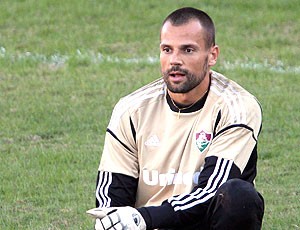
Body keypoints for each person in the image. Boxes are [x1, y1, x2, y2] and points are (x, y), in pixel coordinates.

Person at [87, 7, 265, 230]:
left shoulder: (236, 107)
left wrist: (143, 218)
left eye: (188, 50)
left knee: (239, 197)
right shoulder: (131, 110)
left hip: (200, 225)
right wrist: (113, 221)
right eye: (167, 50)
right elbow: (111, 194)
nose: (175, 60)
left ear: (212, 55)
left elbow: (213, 190)